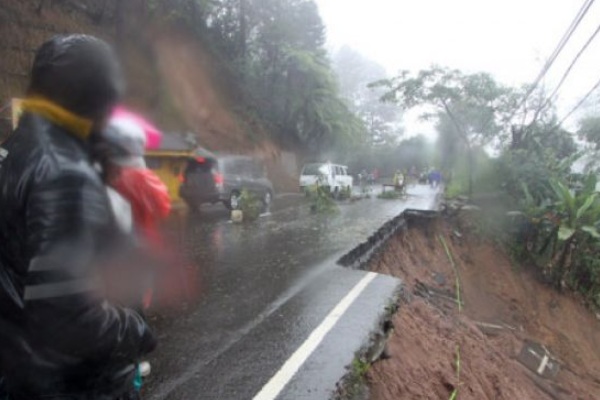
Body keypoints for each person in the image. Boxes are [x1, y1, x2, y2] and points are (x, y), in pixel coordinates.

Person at [0, 35, 156, 399]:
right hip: (75, 384)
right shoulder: (64, 173)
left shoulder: (10, 153)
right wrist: (137, 330)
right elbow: (69, 318)